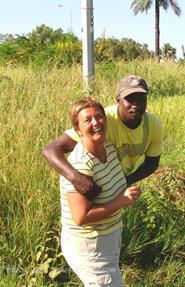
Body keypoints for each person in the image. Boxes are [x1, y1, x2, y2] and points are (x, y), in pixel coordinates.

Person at [60, 97, 141, 286]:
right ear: (78, 130)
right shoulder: (81, 165)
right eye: (87, 120)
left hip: (109, 238)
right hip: (89, 246)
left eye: (99, 116)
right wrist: (121, 201)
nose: (96, 122)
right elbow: (80, 217)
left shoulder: (108, 148)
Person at [43, 75, 164, 194]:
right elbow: (51, 149)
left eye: (141, 99)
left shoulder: (153, 124)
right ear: (118, 100)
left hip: (114, 185)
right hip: (89, 184)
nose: (136, 105)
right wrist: (76, 178)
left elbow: (151, 163)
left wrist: (124, 183)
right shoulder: (102, 120)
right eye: (130, 99)